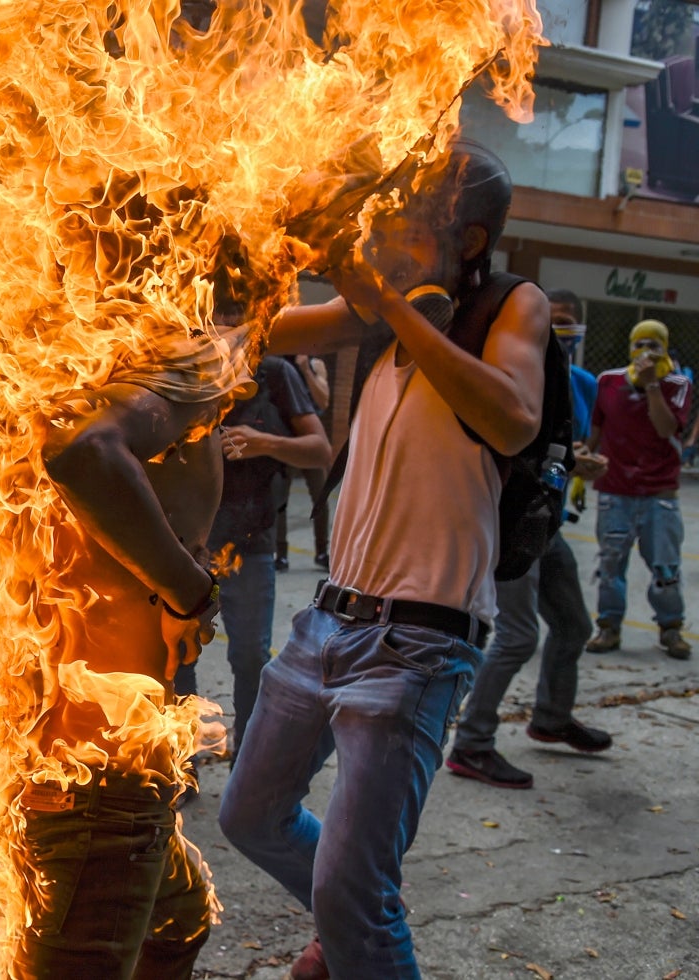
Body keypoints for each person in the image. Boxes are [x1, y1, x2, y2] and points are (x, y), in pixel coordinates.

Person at [217, 140, 549, 980]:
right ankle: (350, 925)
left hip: (419, 642)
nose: (381, 241)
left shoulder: (512, 304)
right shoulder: (375, 312)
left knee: (357, 885)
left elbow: (512, 419)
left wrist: (394, 309)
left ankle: (355, 924)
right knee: (249, 817)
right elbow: (244, 338)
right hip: (328, 619)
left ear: (465, 240)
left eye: (403, 226)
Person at [11, 333, 255, 978]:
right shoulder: (170, 376)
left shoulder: (99, 373)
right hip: (96, 791)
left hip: (119, 772)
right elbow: (83, 454)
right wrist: (189, 591)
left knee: (182, 924)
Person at [444, 288, 613, 791]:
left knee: (574, 625)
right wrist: (561, 461)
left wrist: (576, 461)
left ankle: (551, 717)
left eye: (567, 323)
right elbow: (505, 442)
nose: (558, 331)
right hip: (509, 521)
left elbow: (563, 441)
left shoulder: (574, 379)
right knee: (518, 635)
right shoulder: (501, 368)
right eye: (551, 321)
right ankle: (472, 743)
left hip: (546, 519)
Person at [174, 356, 329, 769]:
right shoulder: (181, 366)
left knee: (250, 657)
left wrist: (264, 443)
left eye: (234, 315)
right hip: (184, 544)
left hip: (249, 540)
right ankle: (181, 764)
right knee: (178, 657)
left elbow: (319, 450)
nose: (224, 327)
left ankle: (248, 761)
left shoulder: (274, 373)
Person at [583, 318, 693, 659]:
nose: (646, 352)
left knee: (665, 567)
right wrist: (581, 470)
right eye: (639, 344)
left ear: (665, 348)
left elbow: (665, 429)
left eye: (654, 345)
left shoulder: (677, 384)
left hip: (659, 492)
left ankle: (670, 628)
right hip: (615, 490)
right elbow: (596, 432)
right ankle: (609, 626)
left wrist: (651, 387)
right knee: (611, 564)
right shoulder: (609, 382)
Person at [273, 354, 333, 571]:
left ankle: (322, 551)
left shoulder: (316, 364)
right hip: (285, 438)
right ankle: (280, 554)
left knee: (320, 498)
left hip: (310, 440)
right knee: (280, 499)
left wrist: (306, 370)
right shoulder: (279, 365)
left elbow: (324, 401)